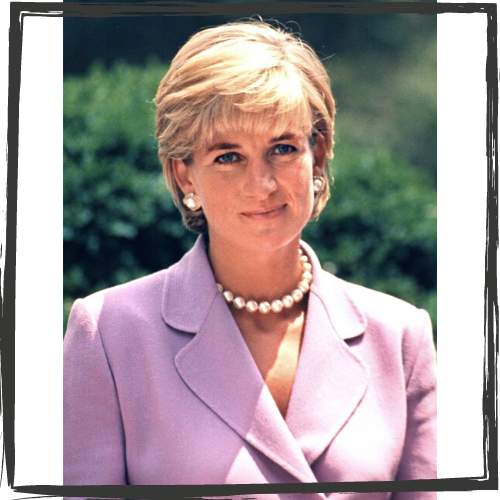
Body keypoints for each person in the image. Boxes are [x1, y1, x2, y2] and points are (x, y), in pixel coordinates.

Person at [63, 20, 437, 499]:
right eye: (227, 156)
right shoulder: (109, 334)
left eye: (282, 148)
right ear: (184, 175)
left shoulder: (401, 336)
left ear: (317, 157)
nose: (261, 184)